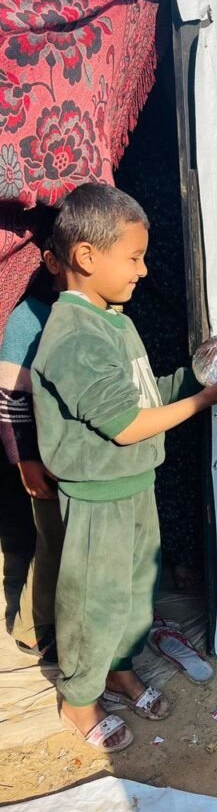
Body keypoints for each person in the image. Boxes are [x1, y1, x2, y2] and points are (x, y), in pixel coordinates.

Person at [32, 183, 217, 752]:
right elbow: (124, 424)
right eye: (135, 257)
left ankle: (117, 669)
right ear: (87, 258)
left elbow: (145, 396)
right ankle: (78, 697)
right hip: (97, 497)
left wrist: (198, 381)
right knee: (93, 599)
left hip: (134, 485)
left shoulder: (115, 322)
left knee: (135, 591)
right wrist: (200, 404)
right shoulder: (72, 335)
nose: (144, 271)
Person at [0, 262, 66, 663]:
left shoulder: (97, 313)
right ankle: (31, 629)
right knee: (53, 542)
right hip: (42, 456)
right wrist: (24, 459)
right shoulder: (29, 317)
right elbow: (10, 398)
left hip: (75, 457)